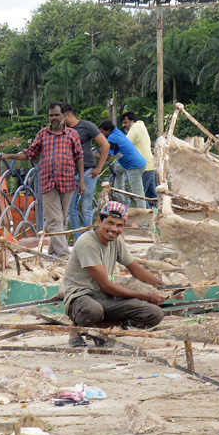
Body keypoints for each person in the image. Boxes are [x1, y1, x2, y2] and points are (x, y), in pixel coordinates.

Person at [62, 200, 167, 348]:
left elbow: (135, 269)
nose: (114, 229)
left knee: (155, 314)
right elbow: (107, 286)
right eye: (110, 223)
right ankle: (75, 329)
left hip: (105, 298)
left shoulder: (116, 242)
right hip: (81, 297)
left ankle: (100, 328)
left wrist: (164, 288)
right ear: (99, 221)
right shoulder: (87, 243)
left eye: (119, 225)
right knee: (93, 310)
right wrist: (148, 296)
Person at [0, 103, 84, 258]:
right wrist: (10, 156)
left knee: (62, 219)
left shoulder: (72, 134)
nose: (54, 118)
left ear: (63, 116)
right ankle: (64, 255)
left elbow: (79, 156)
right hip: (48, 181)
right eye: (51, 115)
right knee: (54, 219)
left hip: (68, 181)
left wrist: (82, 181)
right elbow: (30, 154)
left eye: (57, 115)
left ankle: (53, 252)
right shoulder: (43, 134)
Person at [62, 102, 110, 239]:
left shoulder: (86, 126)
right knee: (70, 209)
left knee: (86, 207)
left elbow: (105, 144)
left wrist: (99, 167)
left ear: (68, 115)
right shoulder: (63, 129)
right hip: (70, 174)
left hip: (88, 172)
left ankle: (88, 238)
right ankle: (78, 239)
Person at [98, 119, 147, 210]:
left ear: (108, 131)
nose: (101, 135)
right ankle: (120, 197)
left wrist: (94, 155)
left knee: (138, 194)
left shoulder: (112, 138)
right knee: (117, 168)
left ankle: (143, 219)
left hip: (134, 166)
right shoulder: (117, 132)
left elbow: (107, 157)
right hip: (133, 162)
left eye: (102, 132)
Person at [120, 111, 157, 208]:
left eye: (125, 122)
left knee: (140, 197)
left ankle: (145, 220)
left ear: (132, 121)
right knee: (152, 196)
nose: (124, 125)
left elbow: (124, 144)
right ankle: (156, 217)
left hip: (143, 167)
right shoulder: (142, 127)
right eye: (122, 123)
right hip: (151, 165)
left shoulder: (135, 128)